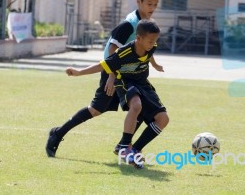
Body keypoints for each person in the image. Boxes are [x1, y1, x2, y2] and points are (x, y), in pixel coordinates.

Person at [45, 0, 162, 158]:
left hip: (128, 76)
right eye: (149, 4)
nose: (152, 8)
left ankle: (125, 145)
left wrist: (153, 63)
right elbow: (111, 51)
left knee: (139, 107)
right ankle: (58, 133)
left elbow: (147, 49)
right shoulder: (129, 25)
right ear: (138, 2)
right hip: (113, 72)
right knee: (96, 109)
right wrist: (111, 77)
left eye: (155, 5)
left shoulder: (148, 24)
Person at [66, 19, 169, 169]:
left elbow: (149, 55)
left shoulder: (150, 47)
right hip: (125, 82)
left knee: (163, 119)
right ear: (138, 38)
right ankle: (124, 146)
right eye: (150, 41)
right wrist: (79, 72)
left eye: (155, 41)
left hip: (143, 84)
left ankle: (134, 149)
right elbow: (102, 65)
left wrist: (155, 65)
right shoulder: (124, 53)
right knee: (136, 105)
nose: (153, 44)